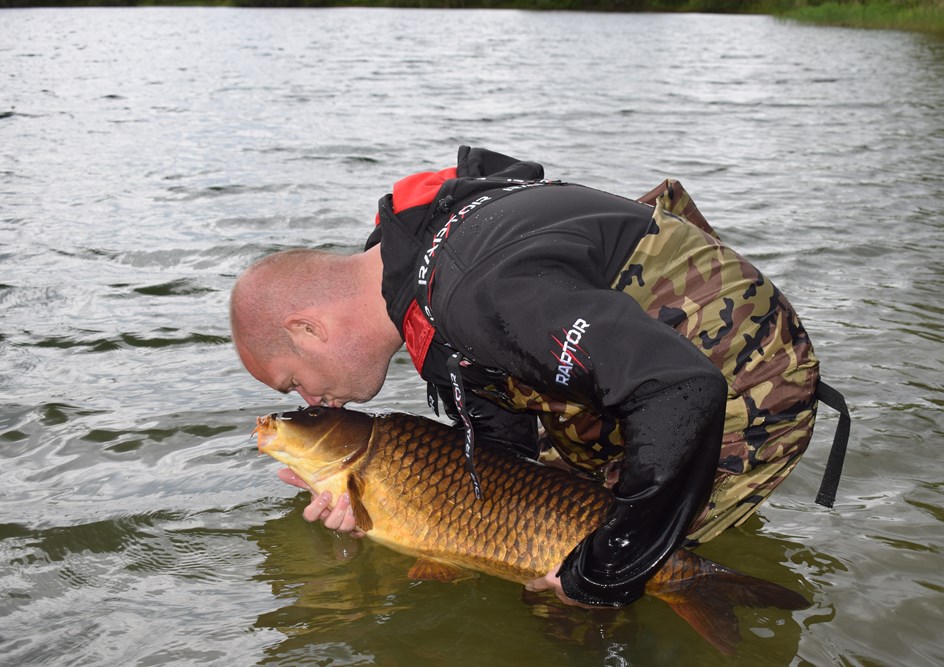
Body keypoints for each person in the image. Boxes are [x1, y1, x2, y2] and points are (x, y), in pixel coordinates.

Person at [230, 146, 827, 609]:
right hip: (641, 363)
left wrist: (610, 565)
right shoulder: (414, 271)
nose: (312, 399)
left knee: (595, 582)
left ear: (309, 329)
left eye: (293, 383)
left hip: (740, 381)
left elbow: (683, 391)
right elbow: (500, 454)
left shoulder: (477, 290)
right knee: (540, 549)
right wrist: (397, 511)